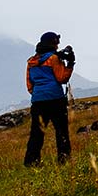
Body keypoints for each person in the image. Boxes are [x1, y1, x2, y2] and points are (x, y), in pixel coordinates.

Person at [24, 31, 75, 166]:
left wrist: (38, 94)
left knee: (37, 133)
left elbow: (29, 85)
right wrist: (70, 64)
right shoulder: (53, 58)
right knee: (61, 131)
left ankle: (31, 162)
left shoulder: (31, 62)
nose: (58, 45)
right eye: (56, 42)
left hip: (38, 101)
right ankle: (64, 160)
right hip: (55, 100)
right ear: (53, 43)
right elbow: (62, 78)